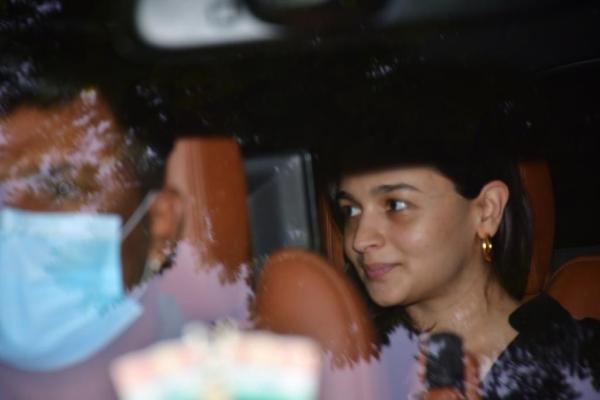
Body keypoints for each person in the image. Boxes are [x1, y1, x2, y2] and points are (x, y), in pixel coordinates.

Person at [329, 134, 600, 397]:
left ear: (487, 210)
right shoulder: (339, 365)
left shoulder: (583, 366)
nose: (360, 239)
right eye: (350, 210)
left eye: (395, 205)